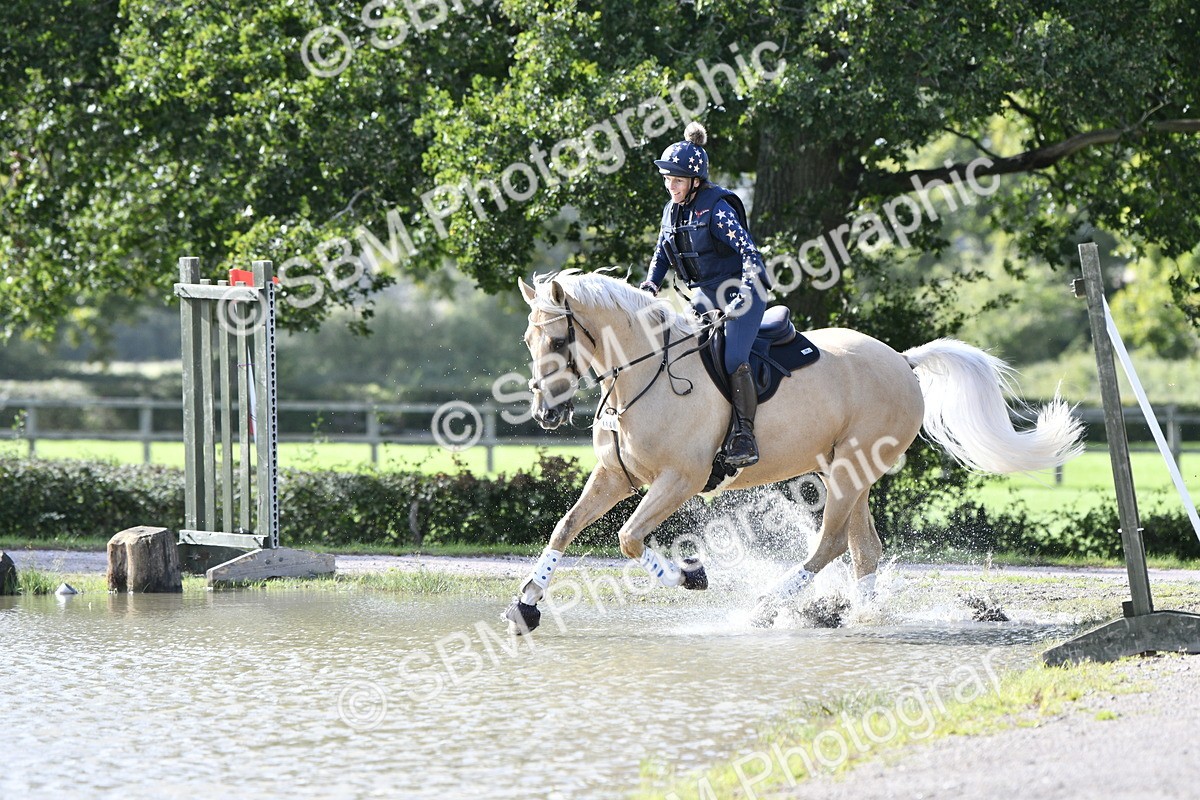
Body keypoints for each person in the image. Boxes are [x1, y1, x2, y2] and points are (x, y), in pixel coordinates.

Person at [640, 121, 767, 469]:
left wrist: (744, 289)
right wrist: (650, 284)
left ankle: (745, 435)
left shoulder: (718, 209)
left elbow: (749, 252)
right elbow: (662, 253)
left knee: (730, 359)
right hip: (704, 297)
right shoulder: (672, 210)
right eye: (667, 180)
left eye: (677, 180)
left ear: (696, 181)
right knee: (685, 350)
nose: (671, 187)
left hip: (744, 292)